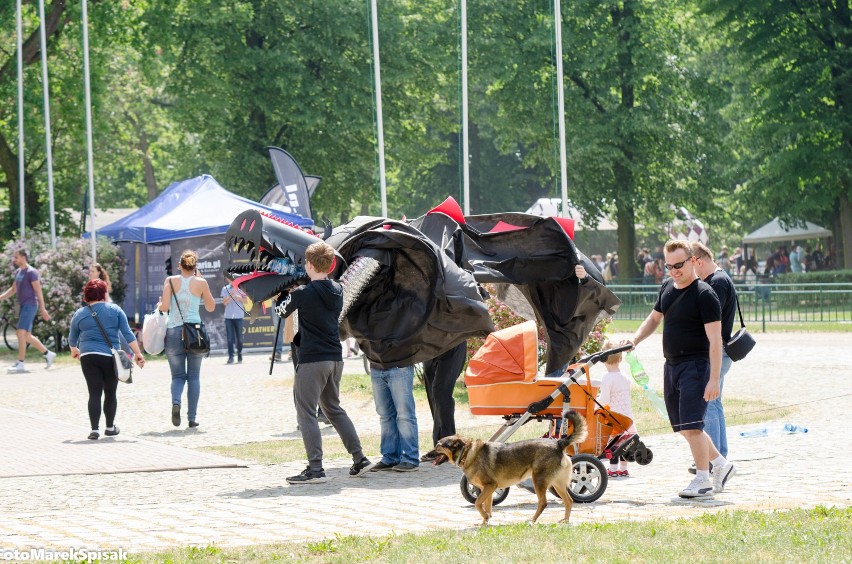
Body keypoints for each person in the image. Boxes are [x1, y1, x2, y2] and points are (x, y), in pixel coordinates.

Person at [627, 240, 735, 499]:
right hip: (672, 365)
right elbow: (654, 319)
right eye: (669, 266)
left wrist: (713, 380)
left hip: (696, 367)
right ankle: (721, 464)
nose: (674, 270)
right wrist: (634, 340)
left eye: (679, 265)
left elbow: (715, 341)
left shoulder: (705, 294)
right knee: (683, 426)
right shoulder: (666, 287)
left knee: (693, 426)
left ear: (693, 261)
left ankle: (703, 479)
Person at [278, 241, 374, 483]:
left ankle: (315, 469)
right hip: (335, 357)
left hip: (312, 360)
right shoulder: (337, 290)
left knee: (306, 413)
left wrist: (282, 292)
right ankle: (359, 458)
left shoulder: (303, 293)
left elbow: (281, 311)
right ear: (331, 265)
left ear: (309, 264)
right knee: (334, 409)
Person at [69, 279, 145, 440]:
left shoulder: (79, 314)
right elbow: (128, 334)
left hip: (88, 356)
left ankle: (94, 430)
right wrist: (138, 353)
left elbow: (72, 339)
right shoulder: (115, 310)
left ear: (86, 296)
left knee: (94, 392)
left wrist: (74, 350)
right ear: (104, 294)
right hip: (110, 357)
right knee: (110, 392)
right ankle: (110, 428)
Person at [691, 242, 737, 466]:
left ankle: (715, 459)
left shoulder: (716, 282)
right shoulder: (720, 278)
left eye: (693, 267)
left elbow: (709, 319)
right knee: (714, 403)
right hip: (721, 349)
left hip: (715, 350)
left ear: (699, 261)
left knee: (708, 403)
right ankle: (720, 455)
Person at [158, 250, 215, 429]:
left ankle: (176, 402)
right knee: (194, 377)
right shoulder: (201, 283)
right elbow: (211, 307)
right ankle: (192, 418)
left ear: (179, 266)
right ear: (195, 266)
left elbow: (165, 307)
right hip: (194, 332)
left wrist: (160, 304)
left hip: (174, 331)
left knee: (177, 376)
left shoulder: (170, 281)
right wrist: (201, 283)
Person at [0, 249, 56, 373]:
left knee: (20, 333)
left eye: (16, 257)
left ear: (24, 257)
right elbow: (13, 289)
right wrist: (1, 297)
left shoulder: (32, 272)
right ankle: (48, 354)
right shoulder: (18, 272)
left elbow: (38, 291)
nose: (14, 260)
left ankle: (20, 362)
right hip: (23, 306)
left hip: (30, 305)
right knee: (26, 335)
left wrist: (42, 308)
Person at [368, 363, 420, 472]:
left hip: (400, 365)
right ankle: (390, 458)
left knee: (404, 415)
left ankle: (411, 459)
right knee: (385, 415)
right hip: (376, 366)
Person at [597, 341, 638, 478]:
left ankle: (613, 470)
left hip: (615, 416)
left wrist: (595, 406)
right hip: (628, 416)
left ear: (603, 360)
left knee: (613, 443)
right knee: (625, 443)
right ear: (620, 359)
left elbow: (605, 399)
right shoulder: (624, 376)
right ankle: (623, 469)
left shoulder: (607, 378)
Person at [420, 341, 467, 459]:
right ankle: (440, 446)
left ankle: (450, 446)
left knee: (441, 392)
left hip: (453, 342)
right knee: (433, 395)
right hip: (429, 346)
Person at [220, 284, 247, 364]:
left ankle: (239, 355)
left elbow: (246, 301)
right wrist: (231, 296)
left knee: (240, 338)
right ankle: (231, 357)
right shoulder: (225, 288)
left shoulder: (242, 288)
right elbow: (224, 302)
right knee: (230, 338)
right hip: (229, 317)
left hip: (239, 316)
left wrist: (239, 298)